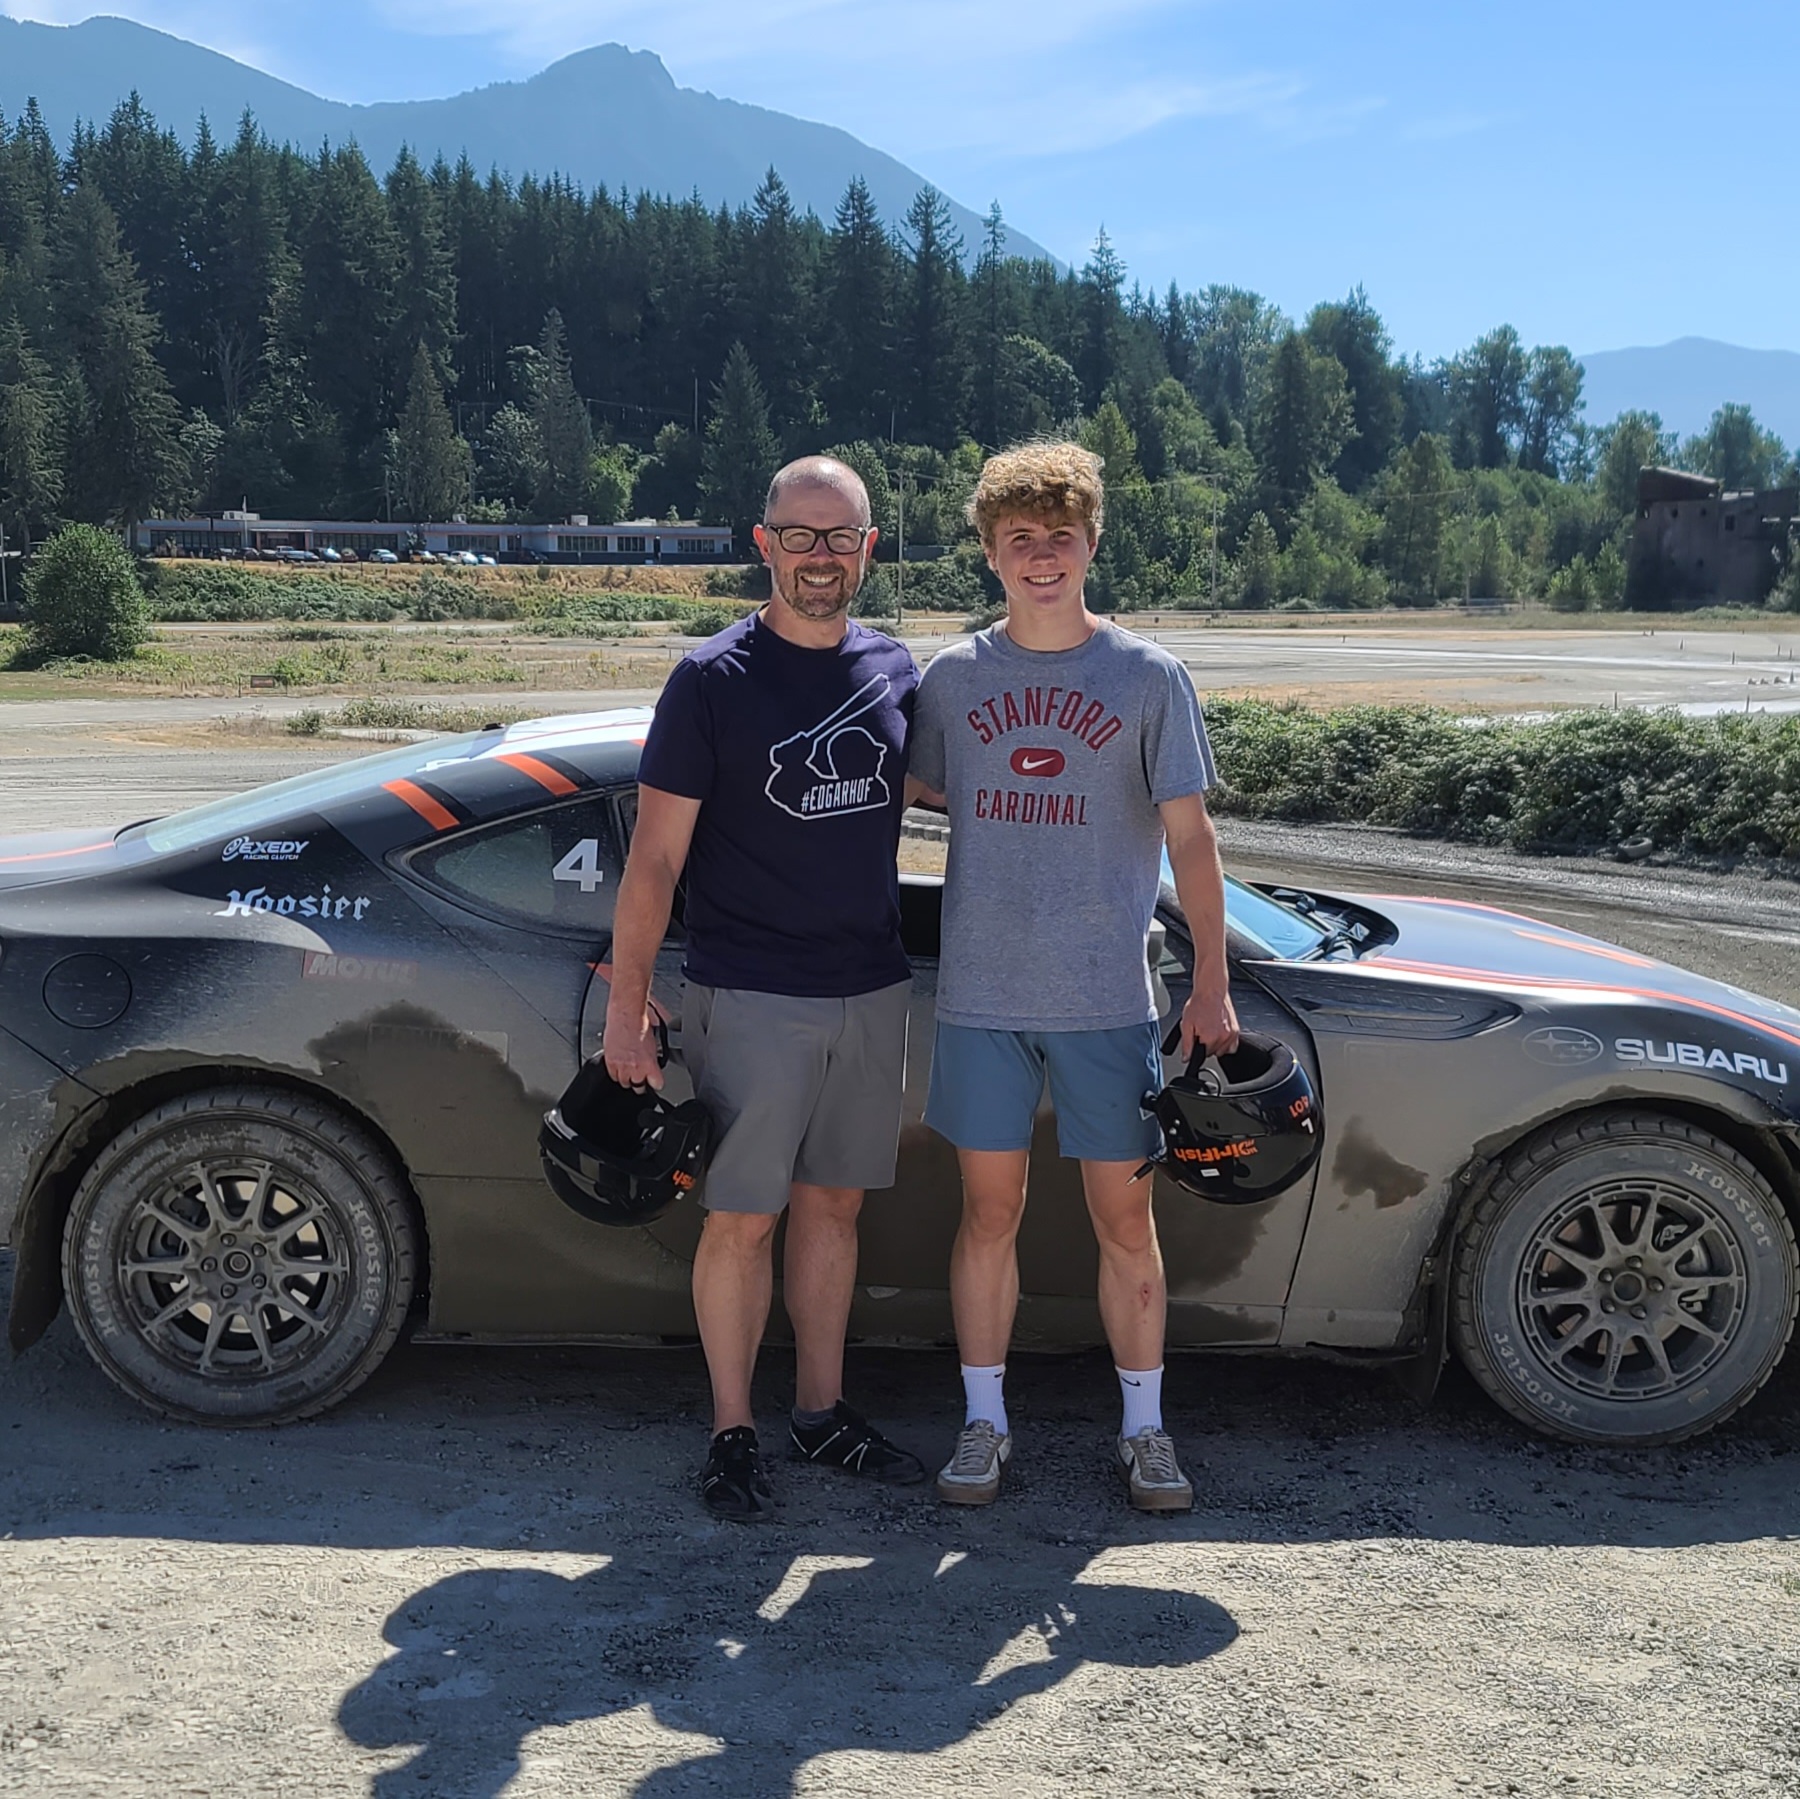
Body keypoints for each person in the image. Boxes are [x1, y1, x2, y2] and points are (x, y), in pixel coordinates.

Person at [908, 440, 1239, 1513]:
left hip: (1108, 1000)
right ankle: (983, 1422)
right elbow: (901, 795)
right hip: (982, 997)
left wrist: (1211, 982)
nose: (1041, 556)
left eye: (1060, 536)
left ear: (1092, 544)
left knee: (1126, 1224)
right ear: (990, 554)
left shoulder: (1148, 678)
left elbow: (1192, 840)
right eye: (1020, 539)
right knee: (987, 1214)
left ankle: (1145, 1431)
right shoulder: (952, 680)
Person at [603, 455, 926, 1521]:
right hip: (748, 993)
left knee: (834, 1208)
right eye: (800, 535)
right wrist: (627, 1008)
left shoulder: (894, 667)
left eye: (840, 537)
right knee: (742, 1220)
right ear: (764, 543)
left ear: (868, 547)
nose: (820, 556)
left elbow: (954, 787)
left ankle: (821, 1411)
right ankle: (732, 1430)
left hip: (872, 989)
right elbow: (654, 862)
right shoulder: (711, 679)